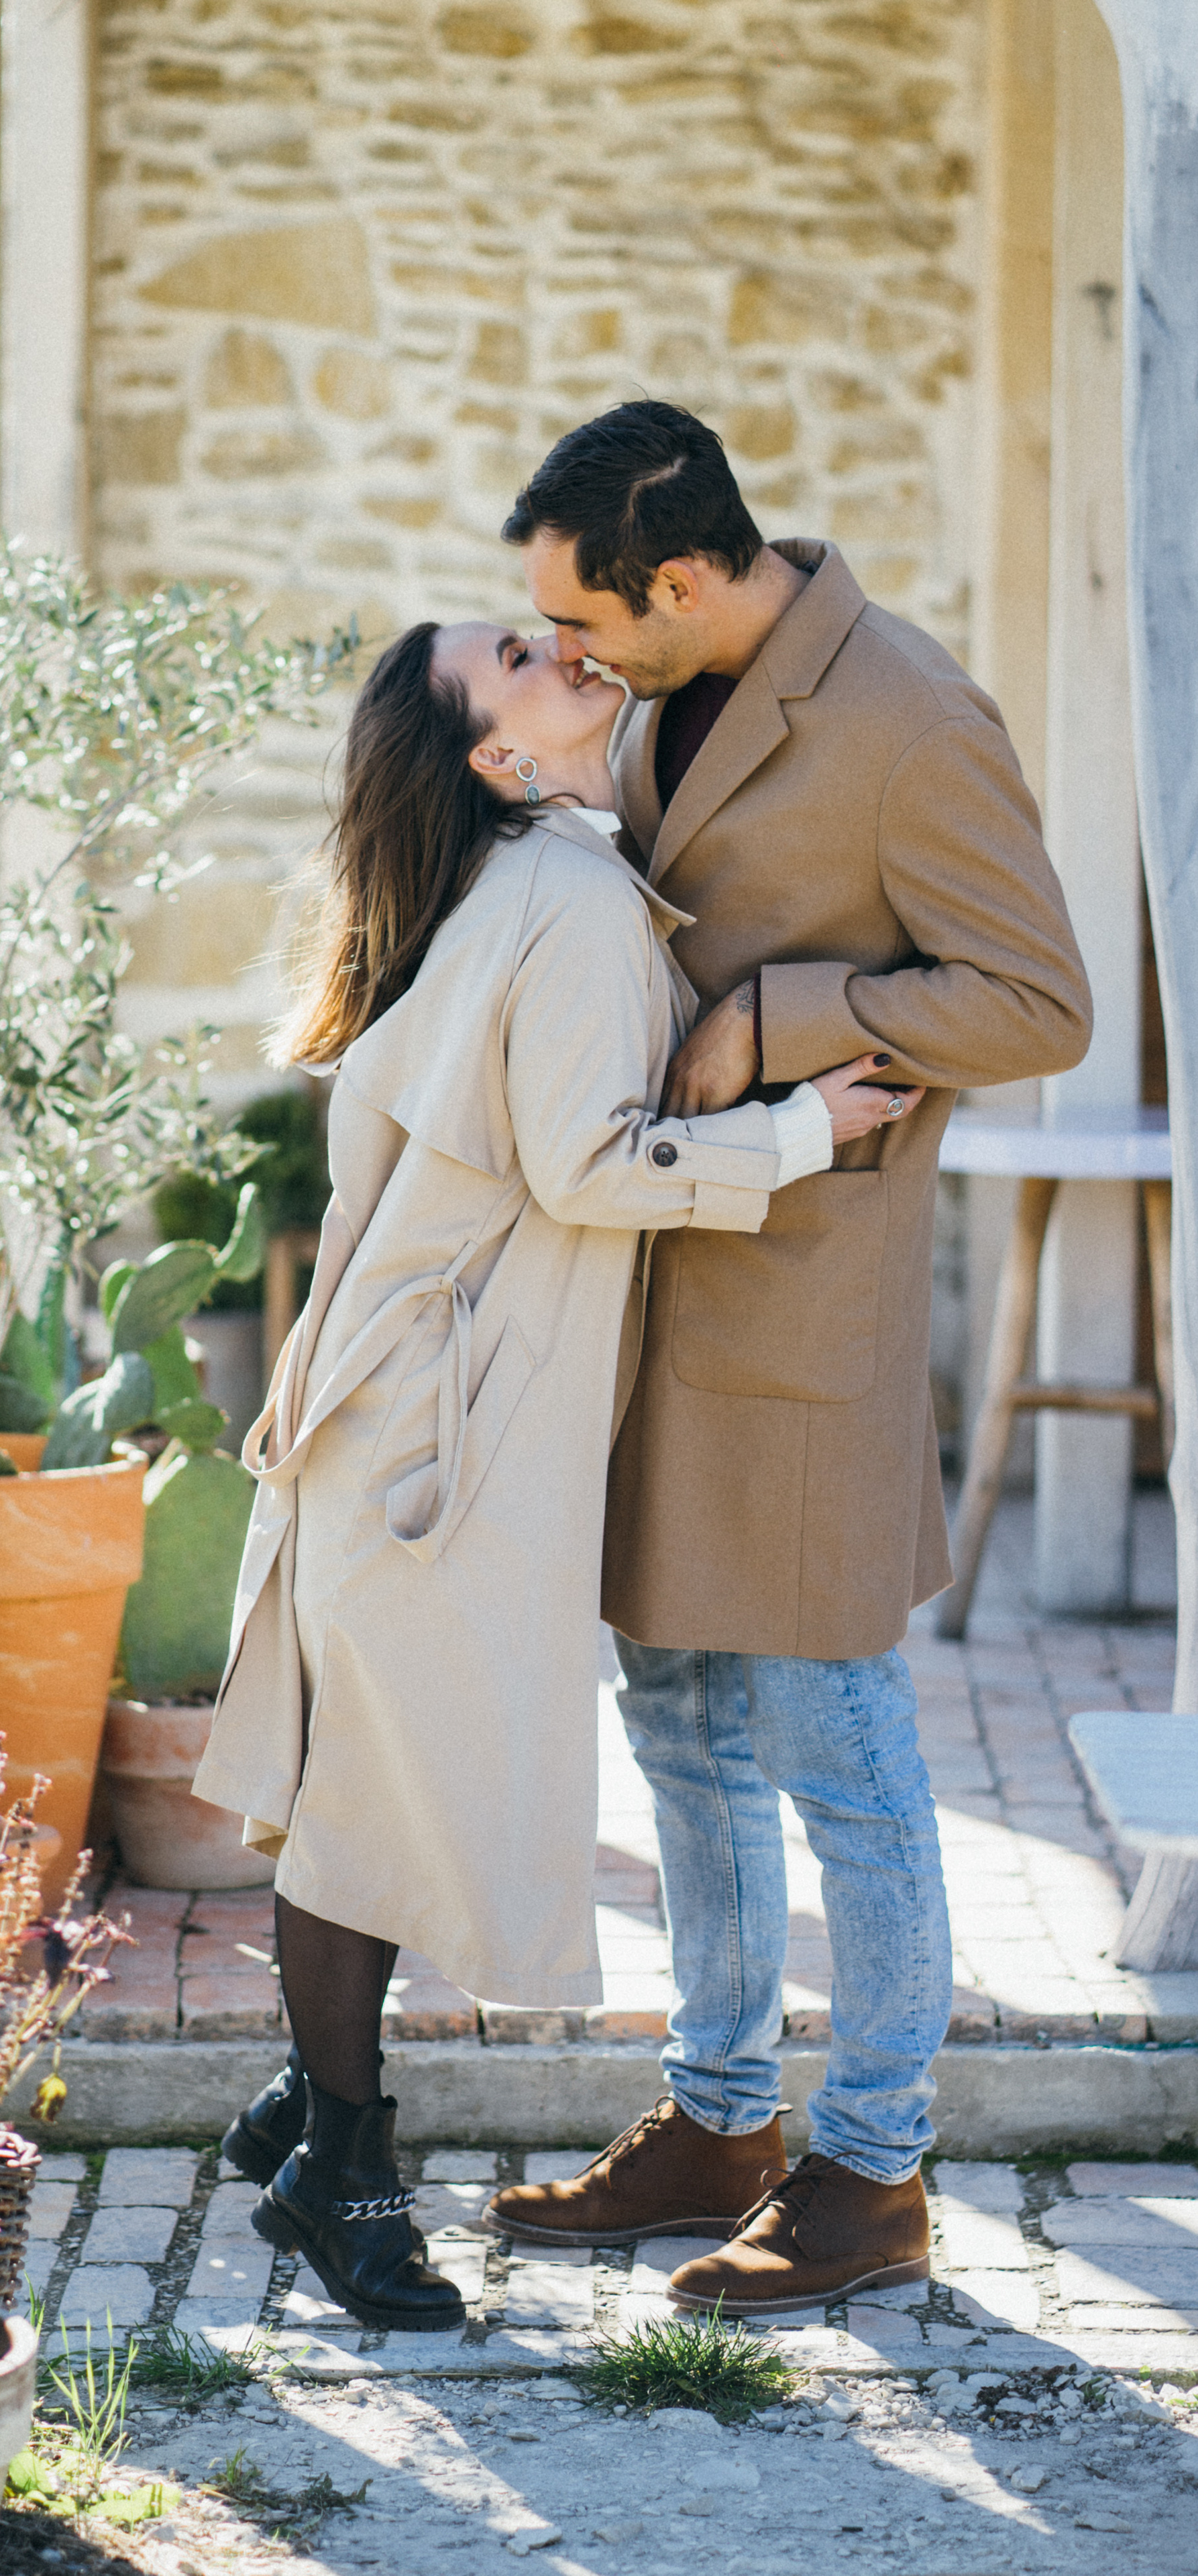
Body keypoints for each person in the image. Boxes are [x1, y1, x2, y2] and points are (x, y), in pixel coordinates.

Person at [193, 615, 914, 2330]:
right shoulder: (574, 900)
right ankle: (343, 2168)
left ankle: (318, 2106)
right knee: (365, 1805)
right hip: (435, 1423)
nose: (557, 643)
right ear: (498, 759)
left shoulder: (530, 882)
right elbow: (589, 1165)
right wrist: (805, 1129)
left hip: (407, 1404)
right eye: (513, 655)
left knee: (358, 1780)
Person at [483, 400, 1093, 2316]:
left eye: (592, 624)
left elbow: (1038, 1000)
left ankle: (875, 2168)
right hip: (650, 1289)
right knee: (674, 1732)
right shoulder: (661, 696)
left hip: (809, 1312)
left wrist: (784, 1015)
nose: (575, 661)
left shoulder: (914, 719)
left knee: (840, 1749)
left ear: (680, 576)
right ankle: (720, 2115)